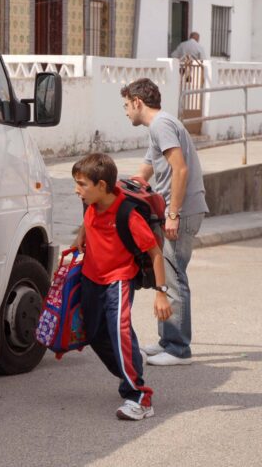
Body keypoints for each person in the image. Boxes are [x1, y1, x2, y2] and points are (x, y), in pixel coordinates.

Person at [71, 152, 171, 421]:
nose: (76, 190)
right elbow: (89, 219)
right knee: (94, 334)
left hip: (118, 280)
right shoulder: (92, 203)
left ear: (102, 186)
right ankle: (130, 367)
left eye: (81, 184)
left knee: (120, 332)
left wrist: (161, 294)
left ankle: (140, 396)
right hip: (91, 278)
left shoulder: (128, 214)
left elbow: (155, 253)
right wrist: (81, 234)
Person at [120, 78, 209, 366]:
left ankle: (178, 349)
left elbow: (179, 169)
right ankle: (167, 342)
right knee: (169, 276)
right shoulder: (159, 127)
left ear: (137, 102)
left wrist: (172, 213)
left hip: (181, 212)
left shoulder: (161, 125)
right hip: (179, 210)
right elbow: (145, 171)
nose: (125, 112)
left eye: (126, 105)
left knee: (173, 278)